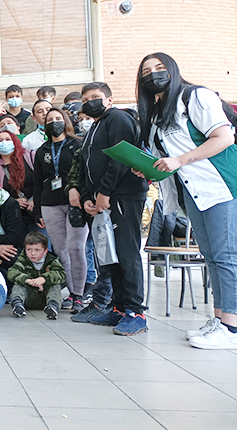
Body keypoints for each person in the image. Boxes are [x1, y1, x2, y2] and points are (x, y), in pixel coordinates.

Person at [137, 53, 237, 348]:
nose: (153, 74)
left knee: (226, 256)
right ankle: (220, 319)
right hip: (193, 191)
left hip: (220, 185)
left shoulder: (195, 97)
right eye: (146, 71)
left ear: (173, 70)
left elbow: (223, 137)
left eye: (159, 68)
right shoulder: (156, 113)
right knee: (211, 256)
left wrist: (180, 160)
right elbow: (162, 159)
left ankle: (231, 328)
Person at [70, 81, 149, 336]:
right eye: (85, 100)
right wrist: (86, 197)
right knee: (110, 257)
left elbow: (121, 157)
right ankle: (118, 307)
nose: (90, 102)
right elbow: (85, 166)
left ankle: (135, 311)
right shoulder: (94, 127)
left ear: (109, 100)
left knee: (127, 253)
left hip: (123, 197)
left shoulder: (118, 119)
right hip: (100, 202)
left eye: (95, 97)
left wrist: (104, 192)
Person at [33, 108, 87, 313]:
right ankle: (73, 294)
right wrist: (37, 211)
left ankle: (80, 294)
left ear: (65, 122)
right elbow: (38, 182)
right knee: (61, 251)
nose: (54, 122)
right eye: (50, 120)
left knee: (76, 248)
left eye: (58, 119)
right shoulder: (42, 150)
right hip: (49, 204)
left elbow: (84, 174)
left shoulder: (77, 145)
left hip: (75, 203)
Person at [8, 232, 65, 319]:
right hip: (28, 297)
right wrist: (26, 279)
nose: (33, 253)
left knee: (55, 285)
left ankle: (53, 307)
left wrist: (44, 278)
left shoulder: (51, 260)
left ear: (45, 251)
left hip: (45, 298)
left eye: (37, 250)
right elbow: (12, 272)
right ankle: (18, 305)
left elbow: (61, 273)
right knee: (18, 284)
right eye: (29, 249)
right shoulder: (23, 260)